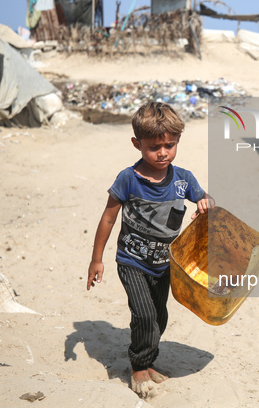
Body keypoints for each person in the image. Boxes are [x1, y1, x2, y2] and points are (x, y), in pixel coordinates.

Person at [86, 101, 214, 398]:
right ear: (137, 144)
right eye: (154, 147)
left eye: (170, 145)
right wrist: (97, 260)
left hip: (165, 264)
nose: (163, 153)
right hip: (131, 260)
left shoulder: (184, 179)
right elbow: (108, 216)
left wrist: (207, 202)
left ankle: (149, 358)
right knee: (143, 314)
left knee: (159, 317)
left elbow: (206, 200)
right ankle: (138, 368)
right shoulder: (128, 179)